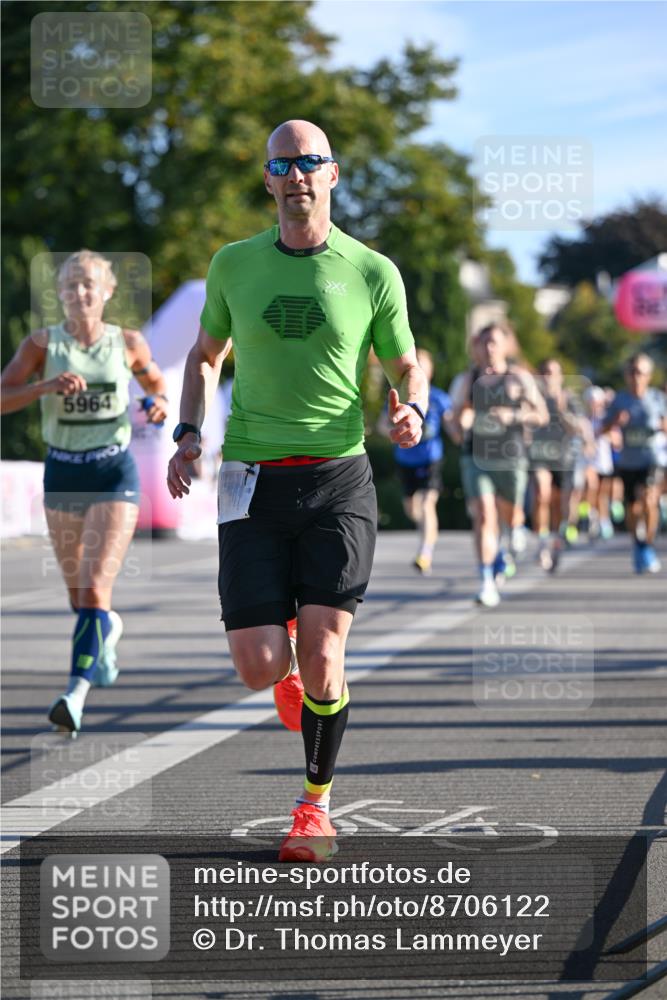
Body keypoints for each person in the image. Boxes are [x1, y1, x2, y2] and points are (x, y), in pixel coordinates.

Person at [166, 120, 427, 862]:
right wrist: (188, 434)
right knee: (257, 666)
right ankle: (281, 659)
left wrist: (412, 405)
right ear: (268, 180)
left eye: (310, 162)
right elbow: (204, 354)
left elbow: (407, 364)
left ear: (333, 175)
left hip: (338, 477)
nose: (297, 175)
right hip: (250, 477)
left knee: (323, 653)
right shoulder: (233, 265)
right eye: (283, 163)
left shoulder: (372, 270)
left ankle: (313, 808)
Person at [1, 250, 168, 733]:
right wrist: (44, 387)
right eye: (71, 285)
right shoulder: (41, 344)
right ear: (59, 294)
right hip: (62, 474)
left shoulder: (128, 342)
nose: (79, 293)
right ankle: (106, 632)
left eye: (89, 285)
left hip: (113, 472)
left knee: (96, 586)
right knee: (80, 599)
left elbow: (154, 382)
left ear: (107, 292)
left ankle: (75, 694)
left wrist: (157, 403)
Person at [451, 321, 548, 607]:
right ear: (477, 347)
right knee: (483, 515)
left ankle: (513, 534)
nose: (489, 347)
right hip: (475, 455)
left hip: (510, 455)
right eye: (484, 342)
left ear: (506, 345)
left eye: (494, 341)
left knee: (511, 514)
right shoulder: (467, 379)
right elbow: (457, 418)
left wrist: (513, 416)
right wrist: (459, 423)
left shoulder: (518, 378)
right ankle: (486, 582)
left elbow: (541, 415)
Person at [379, 348, 452, 574]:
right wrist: (393, 427)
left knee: (426, 502)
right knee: (412, 508)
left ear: (430, 371)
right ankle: (426, 531)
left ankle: (425, 553)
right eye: (416, 363)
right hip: (406, 460)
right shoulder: (398, 397)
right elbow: (383, 424)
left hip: (431, 459)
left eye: (423, 364)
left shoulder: (439, 397)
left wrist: (463, 429)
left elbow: (452, 424)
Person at [601, 353, 667, 573]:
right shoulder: (620, 400)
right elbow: (601, 429)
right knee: (633, 508)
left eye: (640, 372)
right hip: (629, 461)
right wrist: (615, 423)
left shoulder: (657, 398)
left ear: (648, 376)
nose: (635, 377)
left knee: (649, 499)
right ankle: (638, 544)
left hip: (651, 458)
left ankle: (647, 545)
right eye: (632, 372)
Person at [529, 359, 586, 571]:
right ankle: (542, 542)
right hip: (540, 456)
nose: (548, 377)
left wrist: (562, 410)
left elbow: (578, 428)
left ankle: (555, 537)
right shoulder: (533, 398)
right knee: (541, 493)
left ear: (560, 377)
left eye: (552, 373)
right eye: (544, 372)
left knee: (559, 505)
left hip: (564, 459)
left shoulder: (569, 398)